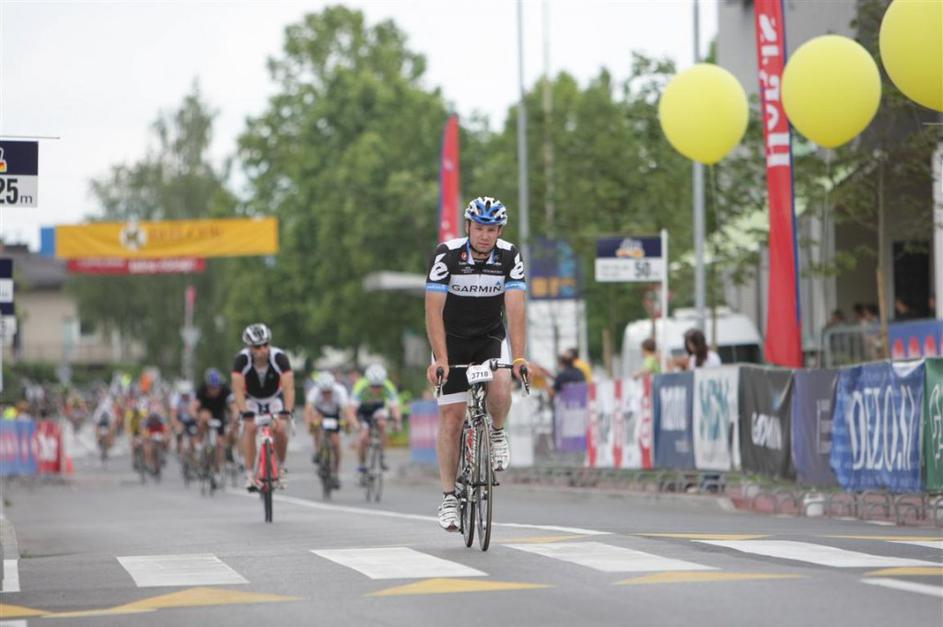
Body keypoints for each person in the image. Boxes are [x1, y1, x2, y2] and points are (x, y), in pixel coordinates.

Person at [424, 196, 529, 532]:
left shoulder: (509, 256)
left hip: (488, 337)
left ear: (500, 231)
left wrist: (519, 356)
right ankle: (448, 497)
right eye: (480, 228)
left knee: (501, 384)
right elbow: (433, 310)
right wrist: (440, 358)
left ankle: (496, 432)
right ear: (468, 226)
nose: (485, 235)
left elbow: (516, 308)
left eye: (492, 229)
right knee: (452, 417)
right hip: (451, 341)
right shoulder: (447, 255)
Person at [231, 323, 296, 491]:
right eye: (257, 347)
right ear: (249, 347)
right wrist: (244, 412)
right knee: (250, 428)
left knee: (280, 428)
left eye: (266, 345)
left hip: (274, 397)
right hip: (251, 398)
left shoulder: (279, 357)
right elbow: (237, 390)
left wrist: (287, 411)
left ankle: (281, 467)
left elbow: (289, 387)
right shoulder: (241, 360)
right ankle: (250, 474)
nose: (263, 350)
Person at [351, 364, 401, 480]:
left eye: (379, 386)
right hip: (363, 411)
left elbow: (395, 408)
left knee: (382, 424)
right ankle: (362, 464)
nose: (376, 389)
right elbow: (351, 411)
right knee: (363, 437)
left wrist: (397, 422)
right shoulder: (360, 387)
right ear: (368, 383)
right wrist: (356, 425)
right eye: (373, 386)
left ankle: (381, 454)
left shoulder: (388, 386)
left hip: (378, 408)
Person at [305, 371, 351, 488]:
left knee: (336, 444)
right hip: (320, 413)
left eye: (328, 392)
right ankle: (318, 450)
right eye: (323, 392)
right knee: (315, 425)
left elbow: (346, 410)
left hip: (334, 414)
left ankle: (336, 472)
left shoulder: (340, 391)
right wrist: (309, 424)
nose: (326, 394)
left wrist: (347, 423)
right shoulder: (314, 391)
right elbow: (308, 409)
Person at [195, 368, 234, 484]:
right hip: (206, 413)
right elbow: (194, 406)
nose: (214, 390)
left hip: (219, 415)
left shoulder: (225, 390)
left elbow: (233, 405)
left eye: (216, 387)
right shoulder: (201, 390)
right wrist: (196, 415)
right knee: (203, 417)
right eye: (212, 387)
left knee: (219, 444)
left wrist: (236, 414)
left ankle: (217, 470)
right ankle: (200, 444)